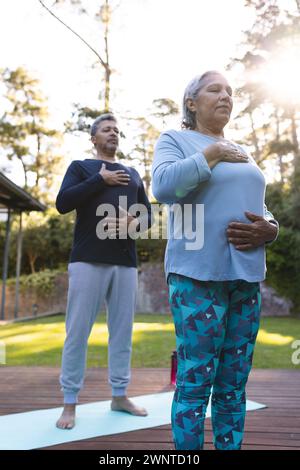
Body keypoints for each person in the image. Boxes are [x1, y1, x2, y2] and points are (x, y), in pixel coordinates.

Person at [152, 71, 279, 450]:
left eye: (230, 91)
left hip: (245, 278)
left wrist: (271, 228)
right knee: (195, 383)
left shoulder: (242, 149)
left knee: (233, 385)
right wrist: (212, 153)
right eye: (215, 89)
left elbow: (260, 206)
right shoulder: (174, 140)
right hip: (197, 276)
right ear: (191, 102)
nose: (226, 96)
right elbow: (163, 187)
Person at [55, 113, 152, 429]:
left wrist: (134, 223)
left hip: (125, 263)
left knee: (122, 333)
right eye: (107, 130)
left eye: (117, 131)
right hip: (87, 260)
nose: (114, 134)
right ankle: (69, 403)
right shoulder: (81, 168)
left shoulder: (134, 173)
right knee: (78, 333)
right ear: (94, 138)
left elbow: (148, 218)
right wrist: (100, 179)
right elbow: (62, 203)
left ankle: (119, 395)